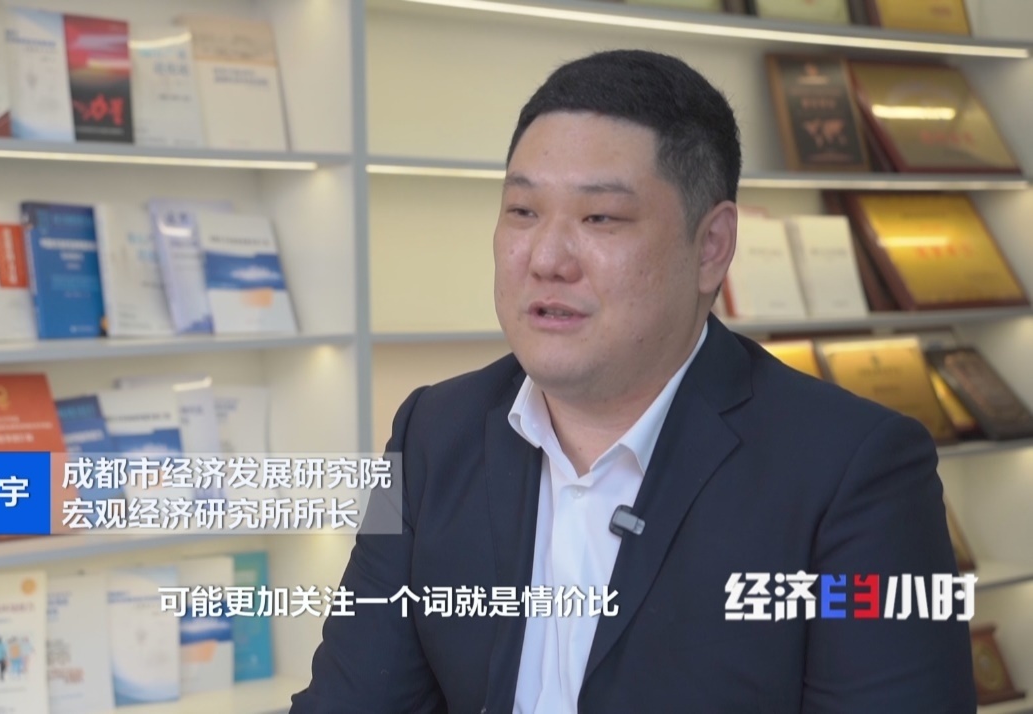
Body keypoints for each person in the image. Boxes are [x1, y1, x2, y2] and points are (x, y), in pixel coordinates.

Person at [289, 50, 974, 713]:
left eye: (600, 218)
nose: (546, 258)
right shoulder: (432, 433)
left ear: (711, 248)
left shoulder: (854, 471)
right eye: (523, 211)